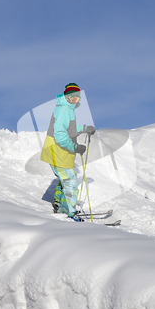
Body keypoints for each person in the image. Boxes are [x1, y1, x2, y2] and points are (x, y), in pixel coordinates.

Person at [40, 83, 96, 222]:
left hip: (58, 150)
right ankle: (69, 213)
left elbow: (69, 128)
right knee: (70, 179)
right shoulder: (64, 109)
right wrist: (74, 147)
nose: (73, 100)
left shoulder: (67, 109)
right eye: (71, 97)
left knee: (65, 177)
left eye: (76, 98)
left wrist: (84, 128)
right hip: (56, 149)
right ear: (66, 96)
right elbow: (60, 134)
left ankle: (60, 206)